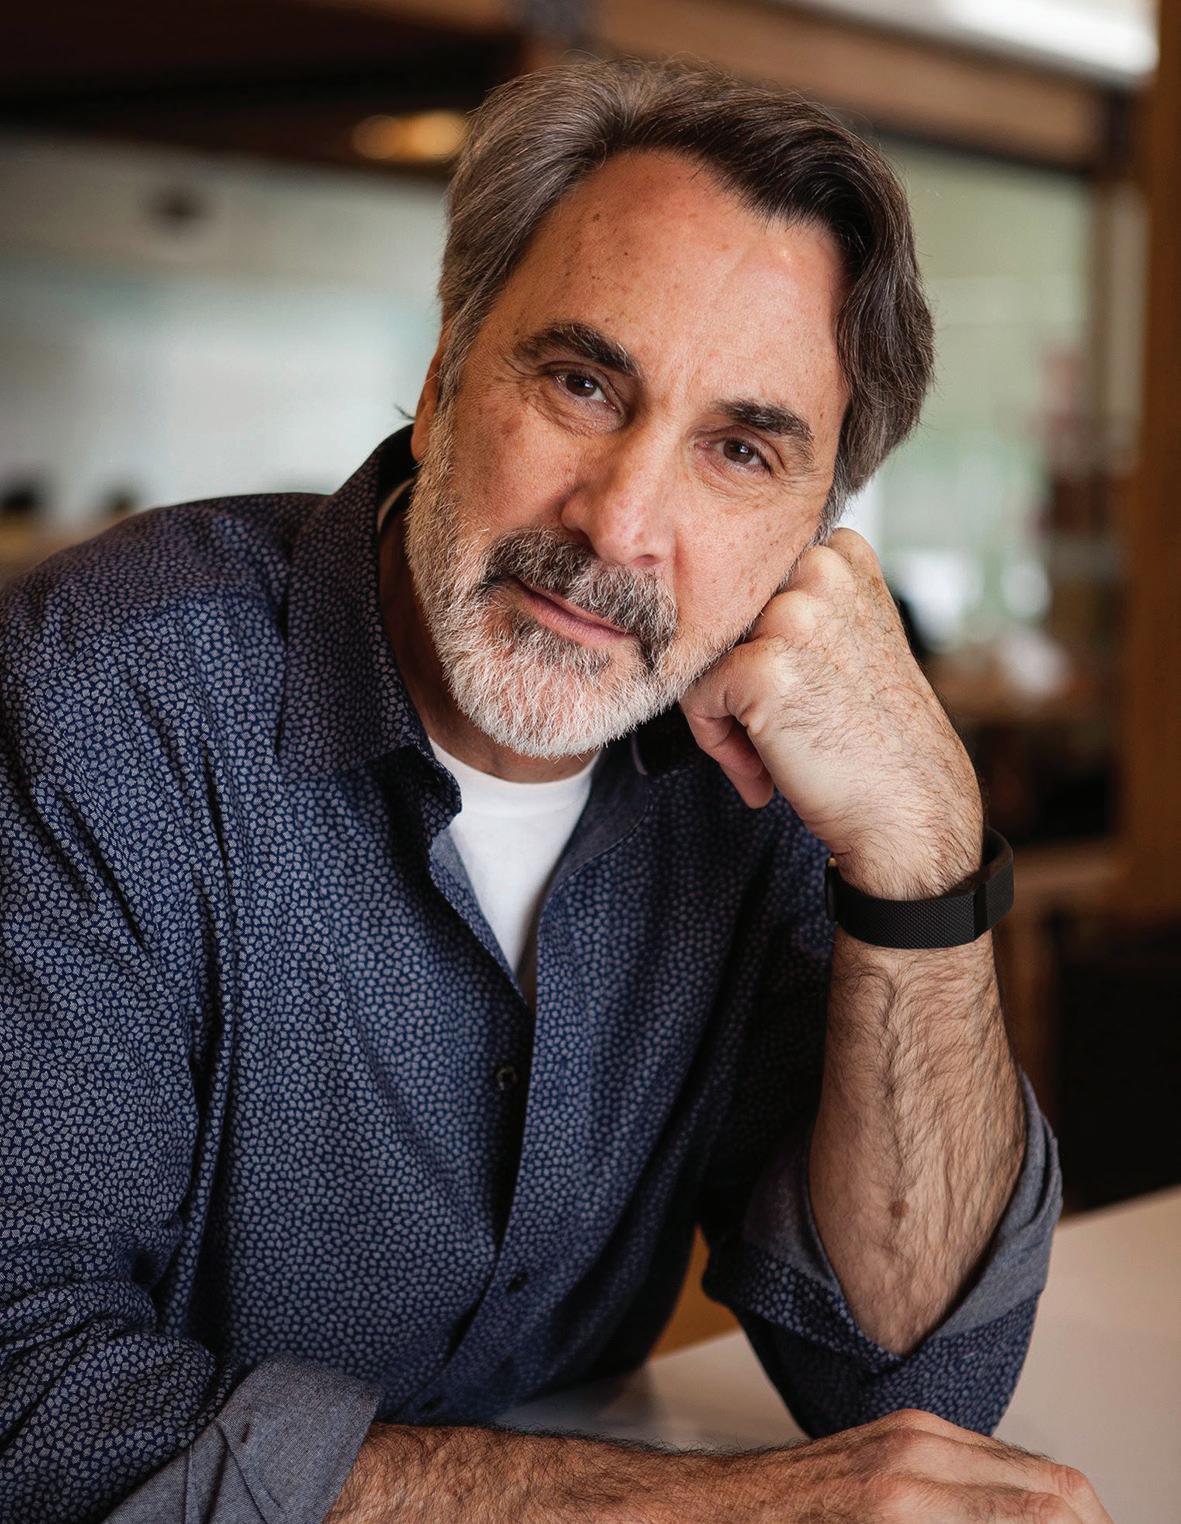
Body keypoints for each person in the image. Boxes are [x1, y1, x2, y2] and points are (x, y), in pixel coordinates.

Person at [0, 56, 1109, 1524]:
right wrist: (696, 1512)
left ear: (815, 534)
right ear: (444, 377)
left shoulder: (758, 775)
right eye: (583, 384)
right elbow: (25, 1393)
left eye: (740, 451)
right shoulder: (100, 695)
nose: (621, 523)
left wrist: (921, 857)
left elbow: (916, 1371)